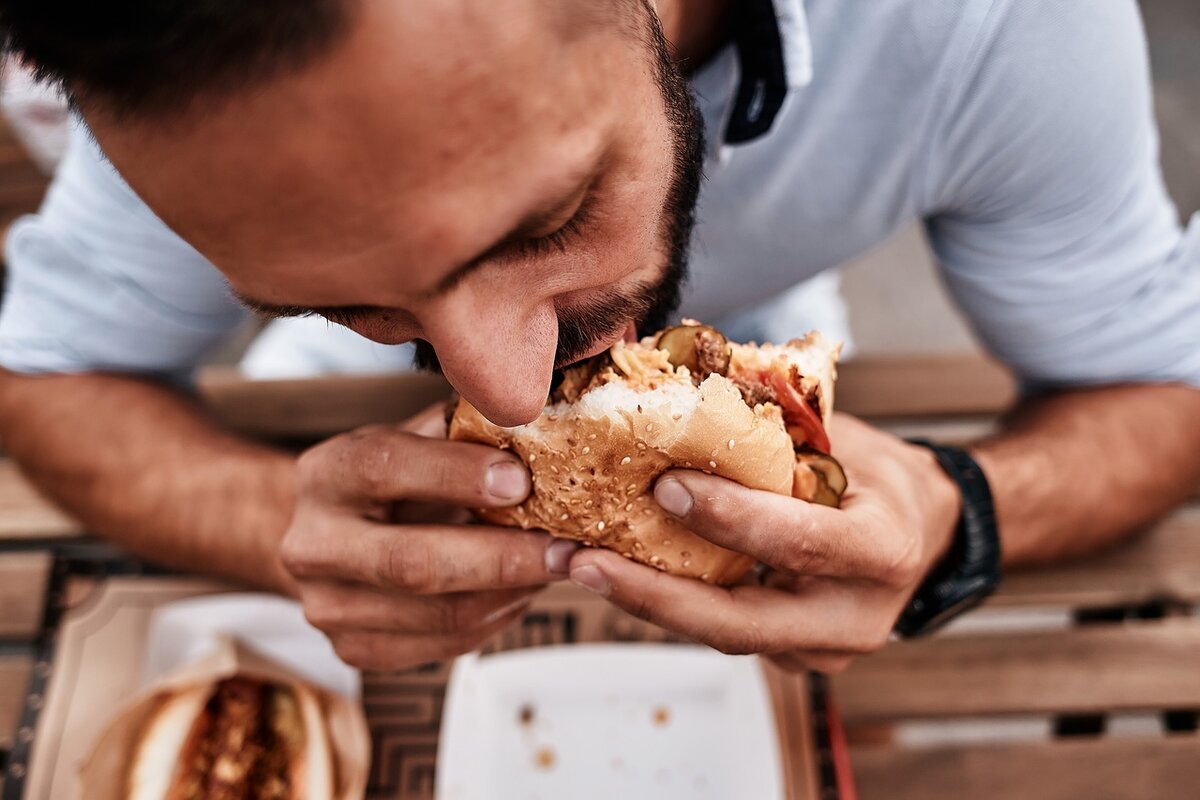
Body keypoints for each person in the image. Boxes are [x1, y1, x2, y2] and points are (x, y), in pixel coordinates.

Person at [0, 0, 1197, 674]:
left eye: (549, 220)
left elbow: (1164, 384)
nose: (511, 394)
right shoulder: (178, 74)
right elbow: (42, 369)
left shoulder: (993, 22)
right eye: (351, 301)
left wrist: (956, 512)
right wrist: (277, 524)